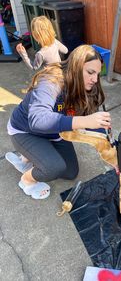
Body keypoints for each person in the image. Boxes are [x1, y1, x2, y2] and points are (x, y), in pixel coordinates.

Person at [6, 45, 111, 199]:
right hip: (25, 131)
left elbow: (90, 122)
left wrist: (110, 151)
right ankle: (26, 180)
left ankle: (29, 157)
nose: (95, 79)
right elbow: (38, 120)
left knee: (70, 172)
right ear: (76, 67)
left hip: (53, 132)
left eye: (97, 73)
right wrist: (84, 120)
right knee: (53, 167)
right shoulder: (51, 80)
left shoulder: (83, 84)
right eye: (90, 72)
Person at [6, 15, 69, 172]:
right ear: (50, 29)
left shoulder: (41, 53)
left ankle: (47, 139)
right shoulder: (55, 43)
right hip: (59, 78)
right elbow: (66, 51)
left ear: (36, 35)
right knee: (57, 106)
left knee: (50, 108)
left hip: (49, 81)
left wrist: (24, 55)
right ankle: (49, 139)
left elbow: (34, 68)